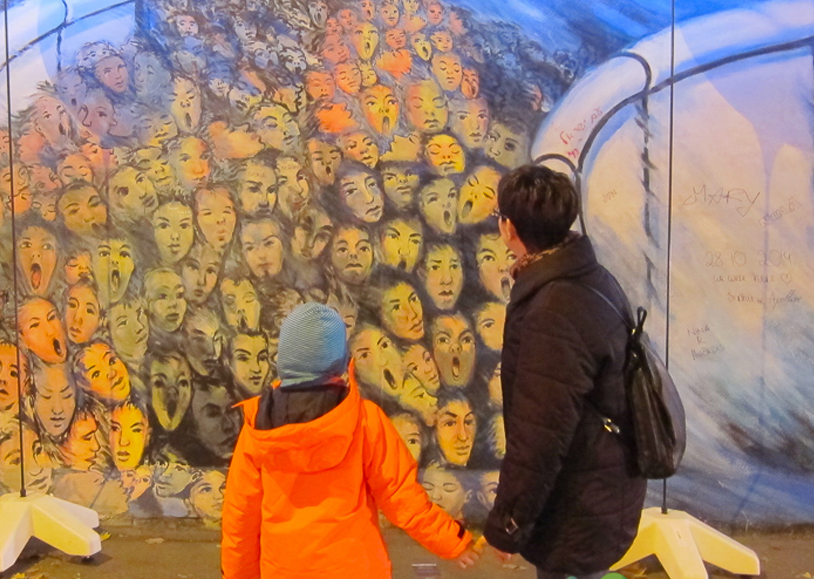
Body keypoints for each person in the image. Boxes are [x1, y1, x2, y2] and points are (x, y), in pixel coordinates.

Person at [222, 302, 480, 578]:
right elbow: (402, 498)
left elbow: (240, 518)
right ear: (341, 359)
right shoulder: (364, 419)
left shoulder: (259, 427)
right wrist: (453, 541)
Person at [480, 165, 646, 579]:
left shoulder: (552, 309)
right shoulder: (586, 275)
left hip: (578, 503)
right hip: (603, 484)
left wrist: (508, 526)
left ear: (509, 228)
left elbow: (539, 436)